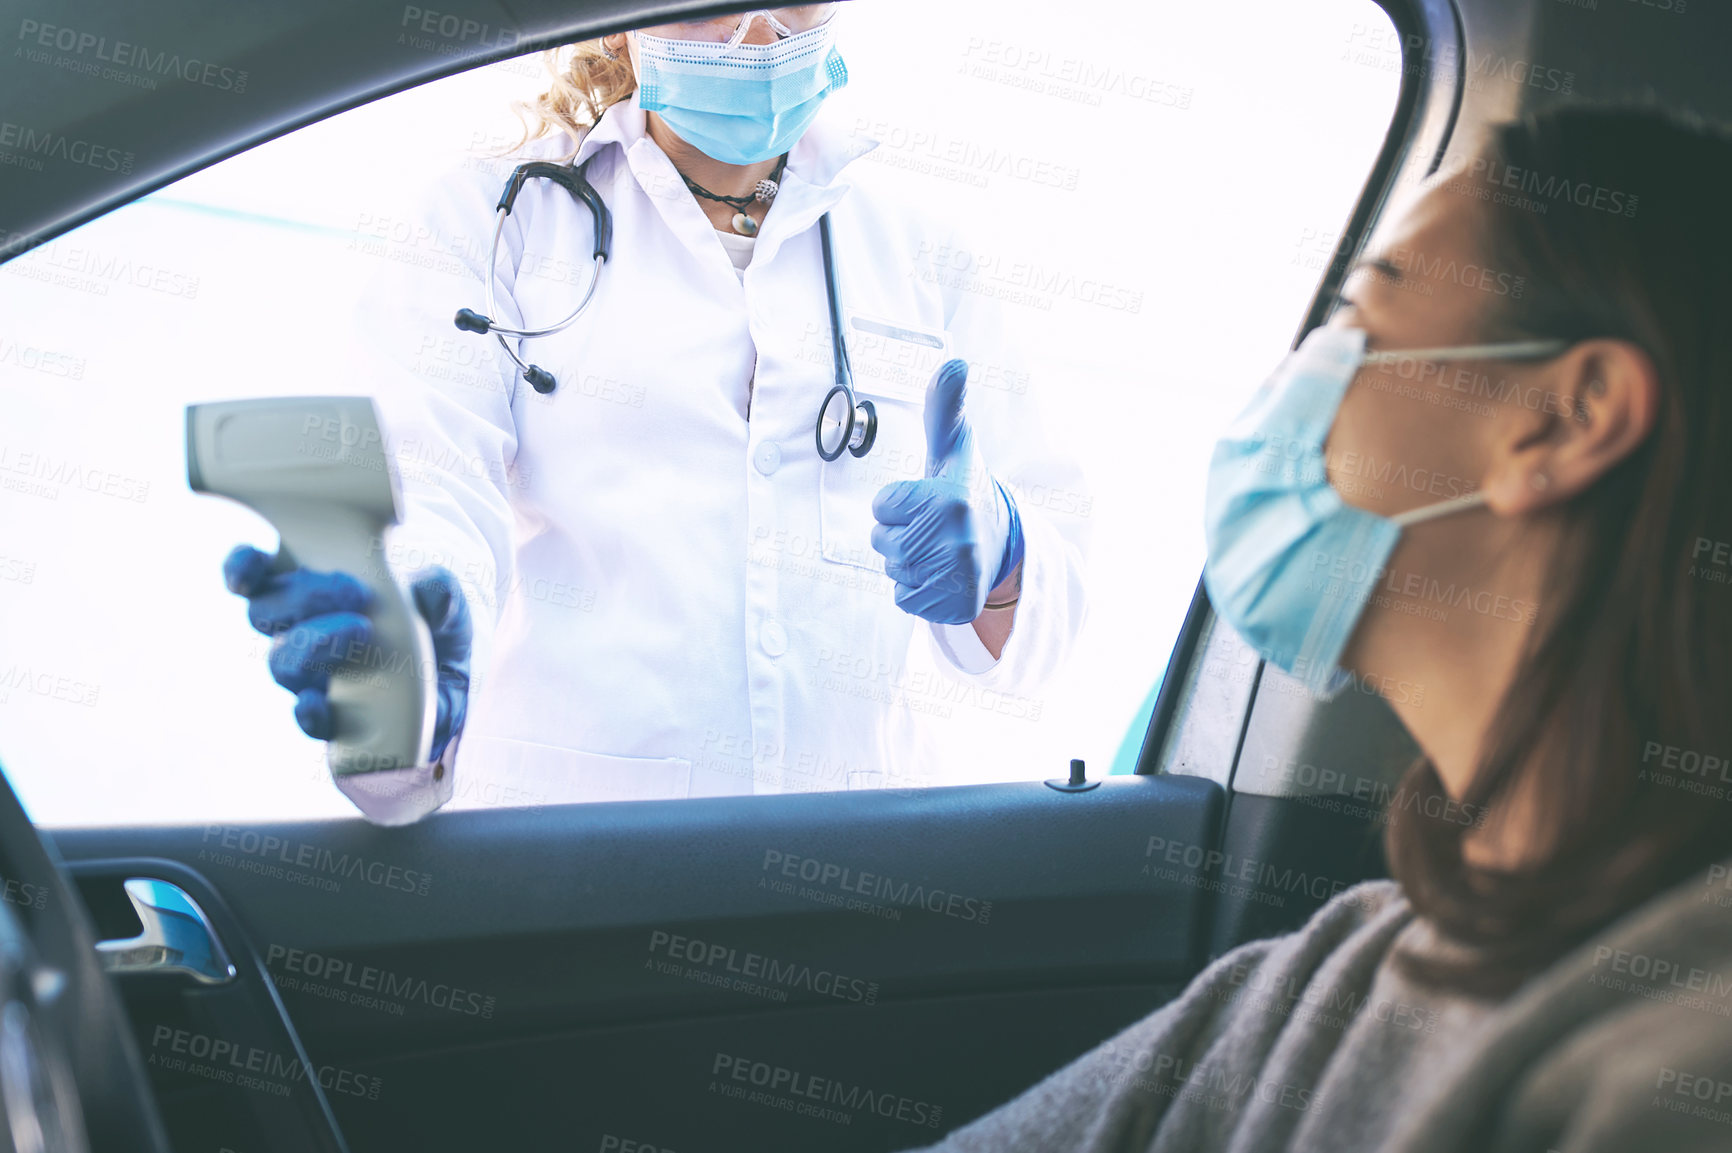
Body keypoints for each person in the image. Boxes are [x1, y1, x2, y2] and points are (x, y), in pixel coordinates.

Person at [899, 104, 1732, 1152]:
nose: (1289, 379)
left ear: (1564, 419)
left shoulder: (1675, 1070)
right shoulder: (1354, 961)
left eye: (1355, 317)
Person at [222, 6, 1089, 821]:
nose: (756, 35)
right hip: (579, 885)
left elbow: (1051, 624)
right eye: (711, 2)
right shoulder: (495, 223)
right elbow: (430, 494)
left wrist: (1005, 551)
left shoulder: (919, 247)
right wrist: (399, 661)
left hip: (865, 887)